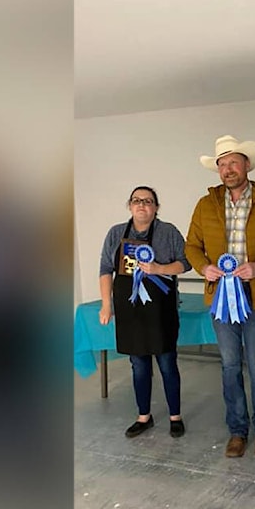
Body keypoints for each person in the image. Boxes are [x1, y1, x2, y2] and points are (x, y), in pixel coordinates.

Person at [185, 135, 255, 458]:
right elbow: (191, 246)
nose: (228, 169)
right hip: (220, 297)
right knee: (230, 365)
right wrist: (204, 267)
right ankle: (237, 430)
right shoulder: (205, 205)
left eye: (234, 162)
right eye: (222, 164)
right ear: (217, 170)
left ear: (247, 165)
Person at [99, 186, 192, 438]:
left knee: (167, 363)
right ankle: (144, 416)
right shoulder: (116, 233)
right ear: (129, 205)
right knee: (138, 365)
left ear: (156, 207)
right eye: (137, 201)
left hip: (161, 309)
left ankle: (175, 416)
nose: (142, 205)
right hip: (129, 312)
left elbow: (186, 263)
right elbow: (106, 269)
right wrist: (107, 304)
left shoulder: (168, 232)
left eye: (148, 201)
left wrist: (158, 268)